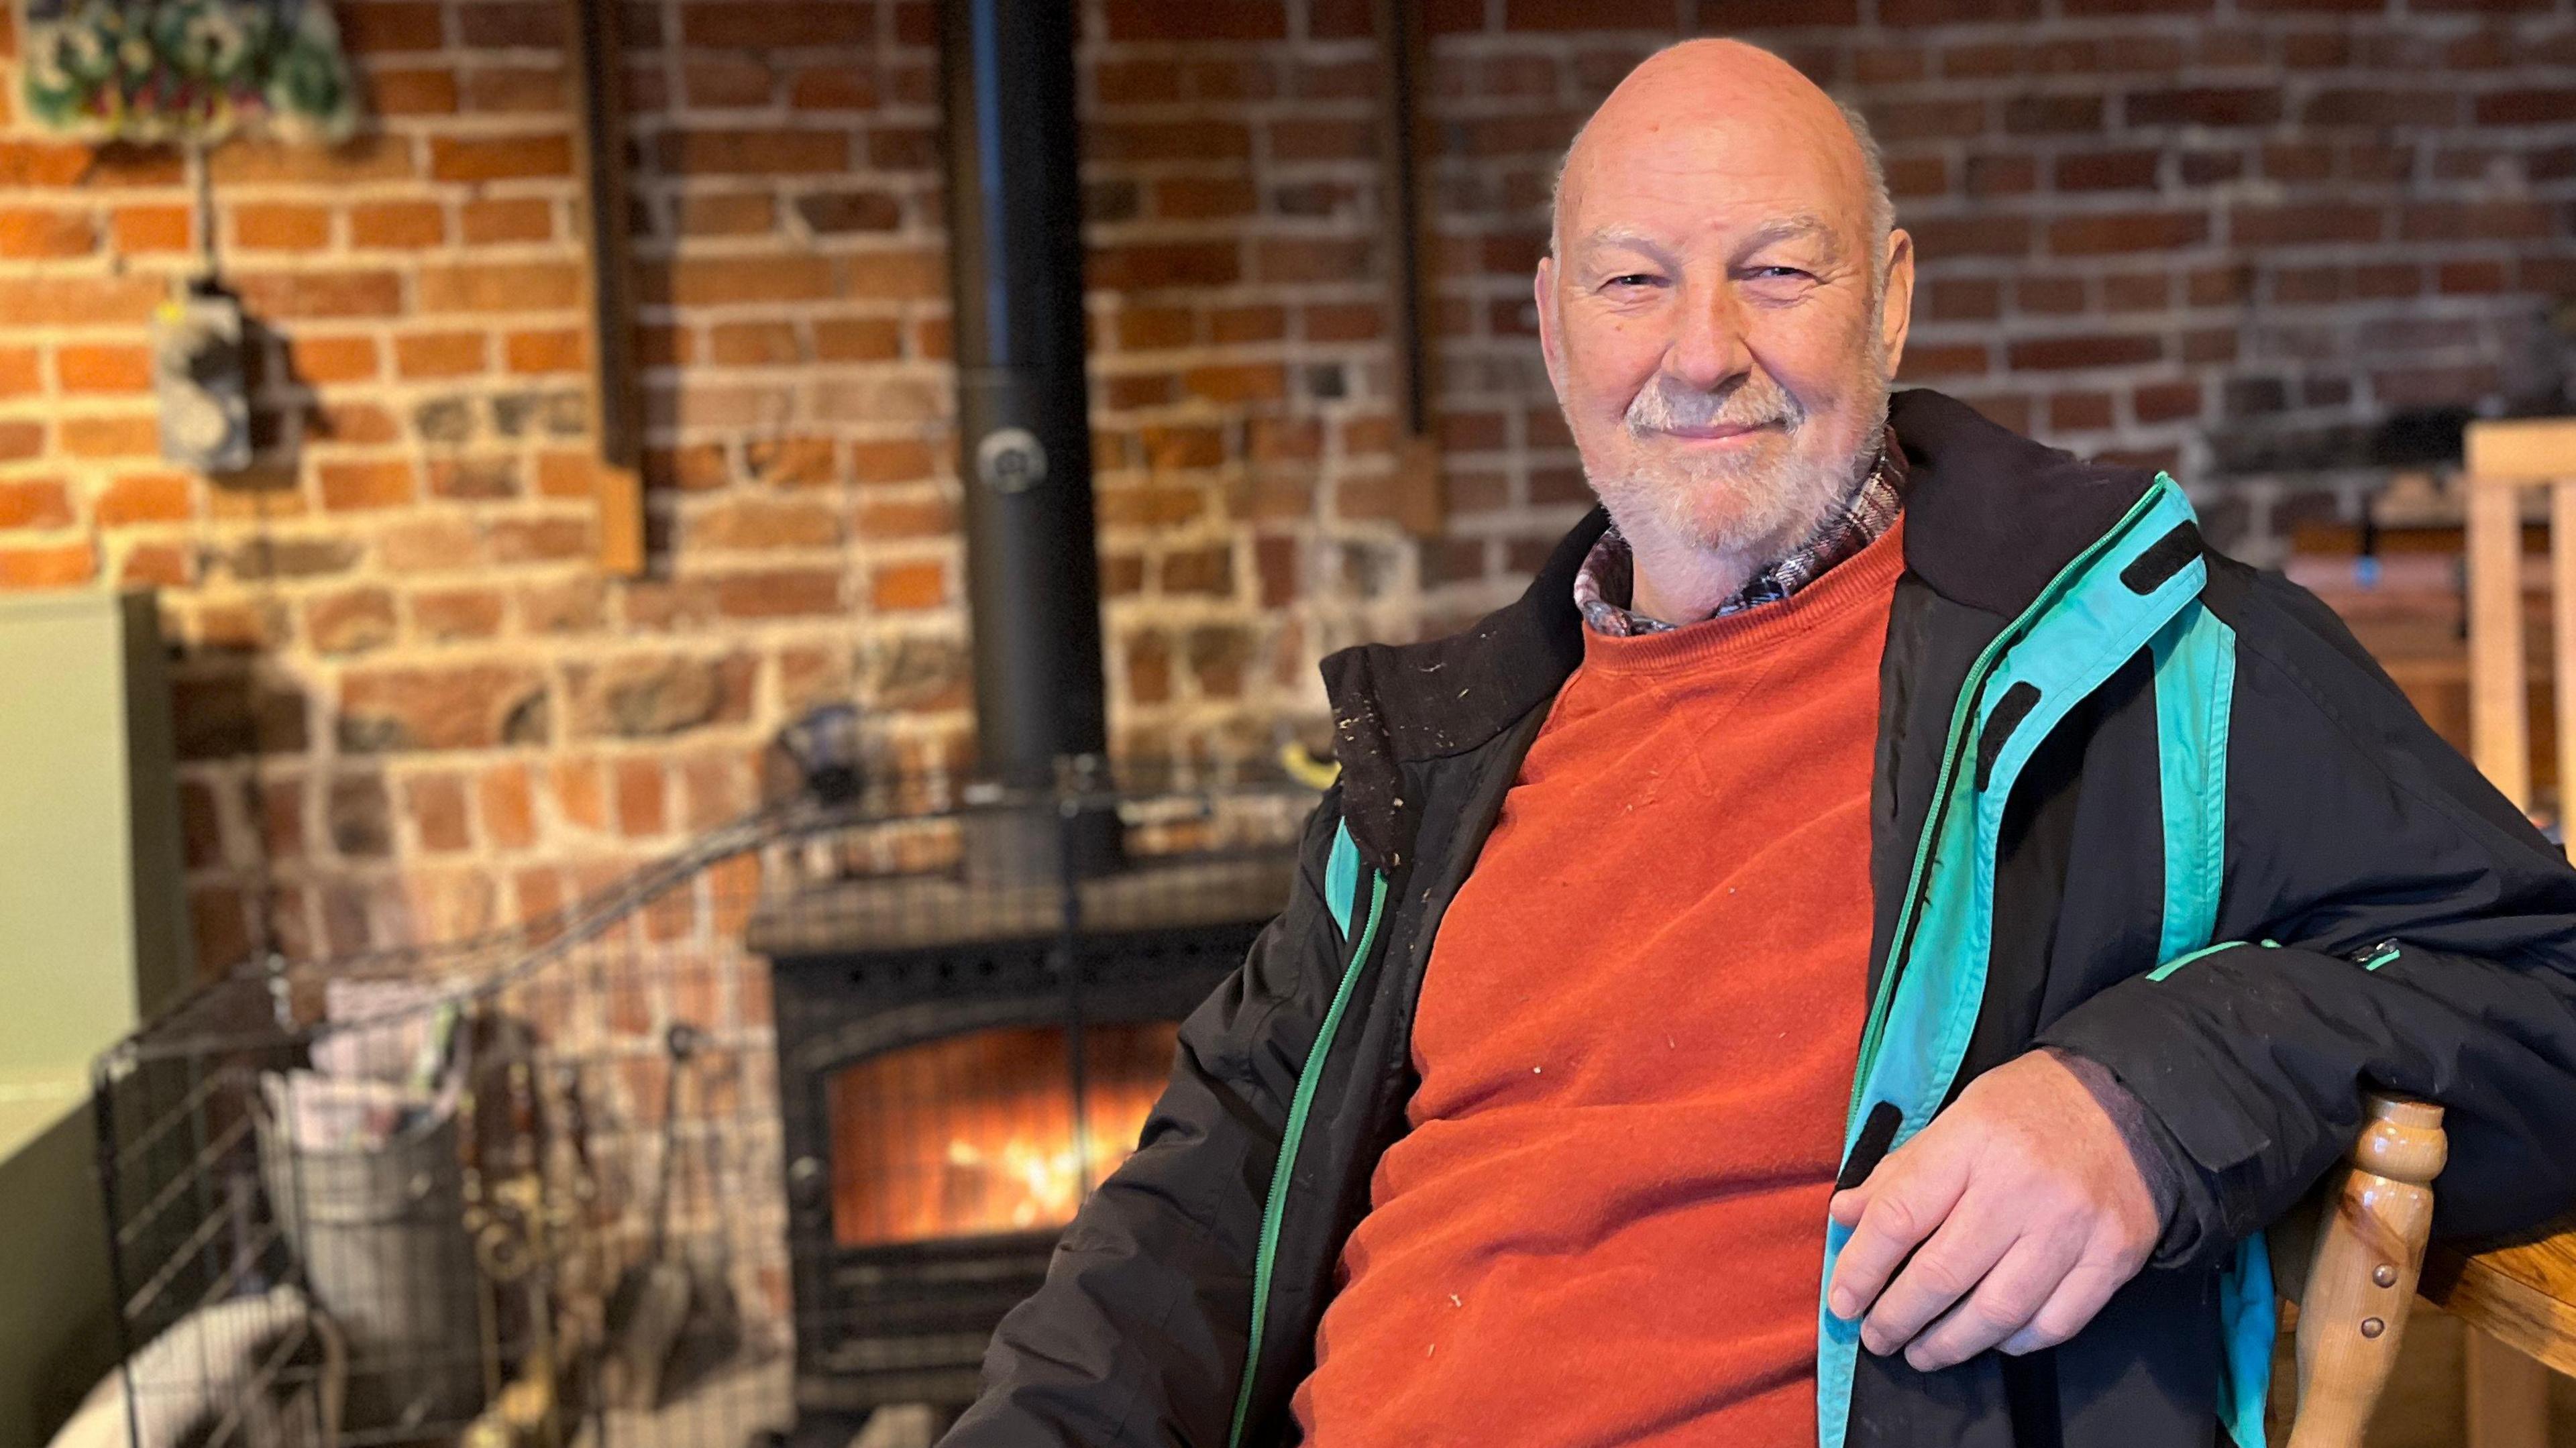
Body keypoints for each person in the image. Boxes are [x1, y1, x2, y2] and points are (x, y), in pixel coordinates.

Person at [941, 38, 2576, 1448]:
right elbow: (1192, 1214)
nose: (1703, 349)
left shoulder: (2152, 667)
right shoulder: (1436, 765)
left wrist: (2157, 1096)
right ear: (1553, 326)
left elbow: (2545, 1002)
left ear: (1895, 298)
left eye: (1779, 270)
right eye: (1634, 278)